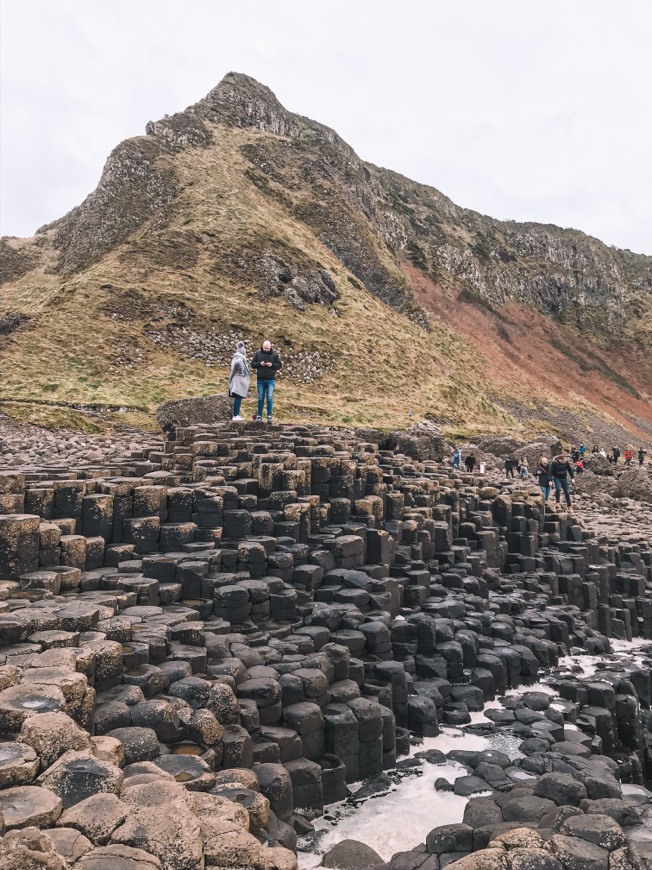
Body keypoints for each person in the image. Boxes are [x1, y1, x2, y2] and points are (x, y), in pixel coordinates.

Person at [252, 339, 282, 422]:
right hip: (260, 379)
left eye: (267, 348)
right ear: (262, 346)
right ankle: (259, 416)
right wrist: (259, 364)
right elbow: (253, 364)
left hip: (270, 379)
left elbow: (279, 365)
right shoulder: (258, 354)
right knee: (260, 397)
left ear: (270, 347)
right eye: (265, 348)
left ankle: (269, 416)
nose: (266, 350)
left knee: (269, 397)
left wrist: (272, 365)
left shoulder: (275, 354)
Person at [228, 341, 250, 421]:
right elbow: (238, 363)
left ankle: (236, 415)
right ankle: (235, 415)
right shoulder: (239, 358)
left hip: (237, 381)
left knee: (238, 398)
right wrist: (241, 371)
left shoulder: (236, 357)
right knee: (238, 398)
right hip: (238, 381)